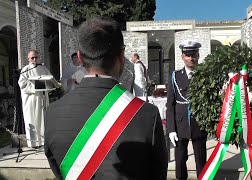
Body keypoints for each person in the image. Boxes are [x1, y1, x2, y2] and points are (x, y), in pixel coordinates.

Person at [44, 17, 168, 180]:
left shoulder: (53, 113)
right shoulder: (148, 114)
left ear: (80, 58)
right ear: (122, 55)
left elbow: (59, 171)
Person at [166, 40, 207, 180]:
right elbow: (170, 105)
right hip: (180, 124)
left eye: (194, 54)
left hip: (199, 124)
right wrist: (171, 129)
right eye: (188, 55)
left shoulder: (205, 75)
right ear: (182, 56)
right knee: (180, 160)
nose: (191, 58)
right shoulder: (175, 76)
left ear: (198, 55)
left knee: (201, 161)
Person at [18, 50, 54, 148]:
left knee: (42, 119)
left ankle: (43, 141)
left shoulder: (43, 68)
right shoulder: (25, 70)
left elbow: (51, 80)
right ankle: (33, 143)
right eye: (32, 58)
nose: (34, 59)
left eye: (36, 57)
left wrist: (50, 84)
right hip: (31, 99)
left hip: (41, 98)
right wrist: (35, 85)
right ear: (28, 58)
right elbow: (22, 84)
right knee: (32, 119)